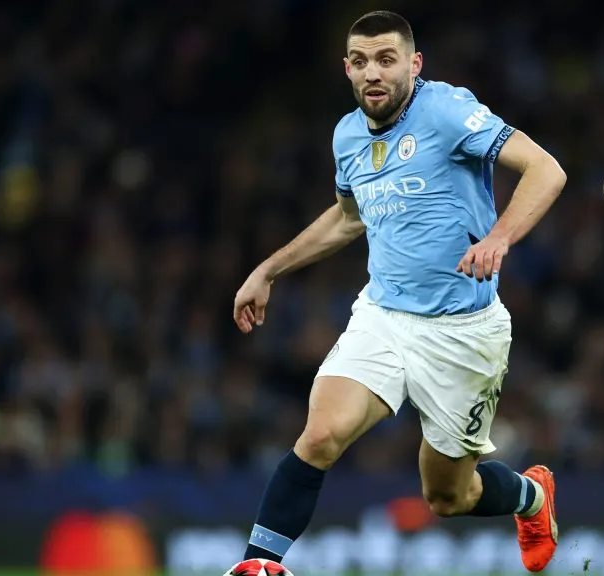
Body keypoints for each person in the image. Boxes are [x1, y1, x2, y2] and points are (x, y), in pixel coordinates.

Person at [232, 10, 567, 573]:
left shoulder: (445, 110)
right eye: (360, 62)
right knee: (320, 436)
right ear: (346, 68)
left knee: (446, 497)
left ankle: (532, 497)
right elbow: (346, 219)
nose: (373, 74)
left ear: (413, 64)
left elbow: (546, 169)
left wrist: (500, 236)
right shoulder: (346, 135)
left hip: (463, 332)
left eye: (386, 60)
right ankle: (258, 565)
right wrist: (268, 269)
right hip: (383, 316)